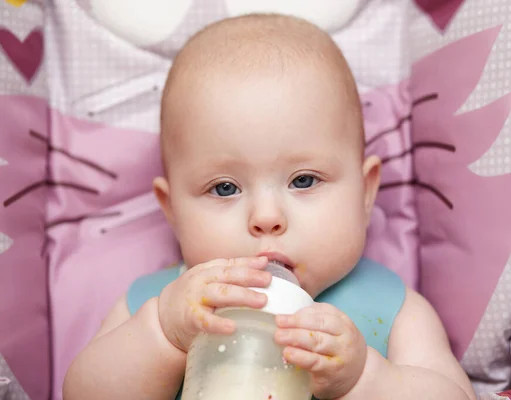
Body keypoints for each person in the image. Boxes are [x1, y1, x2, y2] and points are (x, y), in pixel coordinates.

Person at [64, 13, 476, 400]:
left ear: (365, 192)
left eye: (303, 180)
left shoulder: (395, 308)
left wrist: (366, 378)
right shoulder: (156, 306)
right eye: (224, 188)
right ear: (171, 210)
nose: (266, 218)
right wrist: (164, 335)